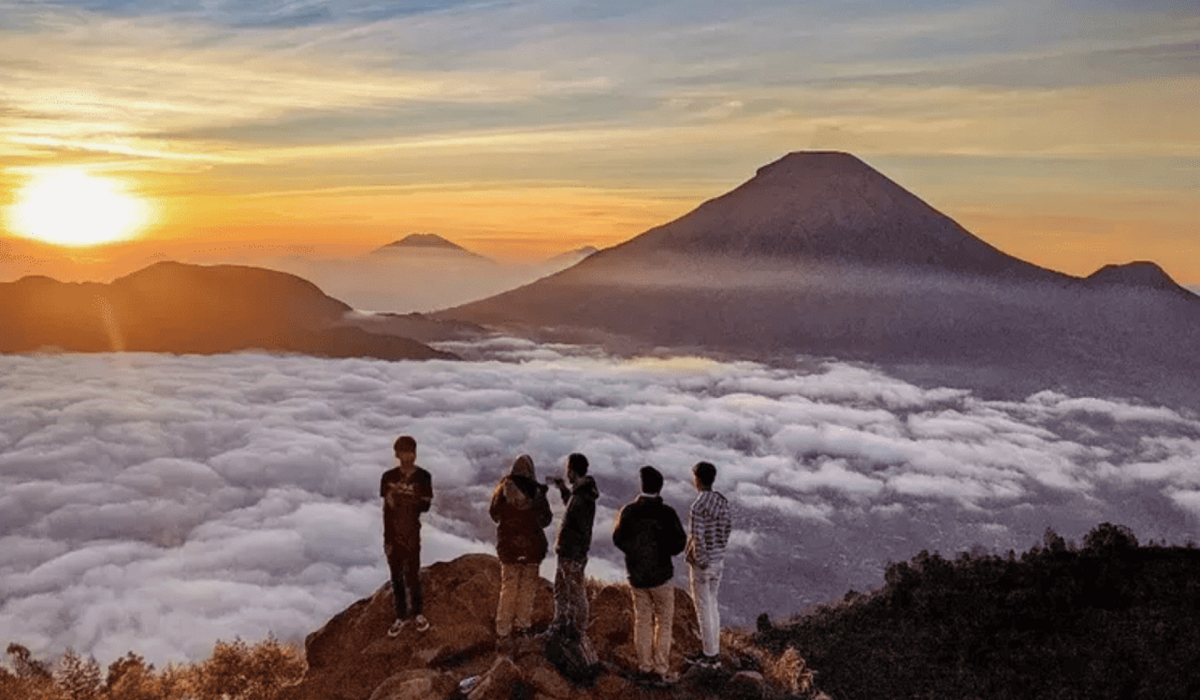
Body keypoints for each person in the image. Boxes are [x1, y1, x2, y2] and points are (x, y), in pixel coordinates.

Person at [612, 466, 687, 686]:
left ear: (641, 485)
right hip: (662, 575)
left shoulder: (628, 511)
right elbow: (679, 542)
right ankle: (660, 668)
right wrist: (664, 551)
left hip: (636, 575)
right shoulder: (667, 513)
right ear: (660, 487)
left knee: (642, 621)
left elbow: (618, 538)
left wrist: (633, 552)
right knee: (664, 622)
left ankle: (644, 667)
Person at [490, 454, 553, 651]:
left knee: (508, 588)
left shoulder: (502, 490)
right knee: (527, 589)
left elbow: (494, 515)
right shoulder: (536, 492)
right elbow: (546, 520)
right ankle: (522, 626)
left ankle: (503, 630)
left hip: (509, 549)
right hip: (532, 549)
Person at [547, 453, 600, 664]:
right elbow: (574, 508)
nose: (566, 472)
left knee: (576, 592)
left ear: (573, 470)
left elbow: (577, 522)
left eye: (568, 468)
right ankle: (560, 624)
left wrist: (576, 554)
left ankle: (577, 632)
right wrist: (563, 490)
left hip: (572, 554)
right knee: (561, 588)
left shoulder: (583, 497)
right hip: (568, 553)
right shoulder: (582, 494)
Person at [380, 435, 433, 637]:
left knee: (412, 573)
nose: (407, 456)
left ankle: (418, 613)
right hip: (393, 534)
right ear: (397, 454)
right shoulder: (388, 477)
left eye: (410, 451)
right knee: (396, 577)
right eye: (403, 452)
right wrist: (386, 539)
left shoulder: (423, 477)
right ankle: (401, 616)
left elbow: (425, 506)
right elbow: (387, 510)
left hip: (412, 532)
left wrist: (403, 500)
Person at [684, 461, 732, 669]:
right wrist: (717, 552)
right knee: (713, 605)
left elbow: (697, 538)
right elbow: (726, 530)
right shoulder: (722, 502)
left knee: (703, 608)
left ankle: (709, 656)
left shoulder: (698, 506)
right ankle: (715, 650)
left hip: (704, 563)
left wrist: (700, 561)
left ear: (699, 480)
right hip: (719, 560)